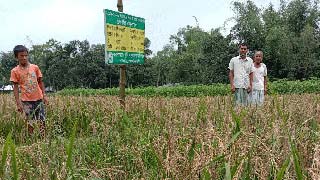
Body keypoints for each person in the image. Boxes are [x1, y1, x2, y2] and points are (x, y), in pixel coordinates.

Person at [10, 45, 48, 137]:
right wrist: (18, 103)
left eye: (26, 55)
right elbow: (15, 88)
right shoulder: (15, 71)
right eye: (21, 56)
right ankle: (30, 140)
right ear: (16, 57)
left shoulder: (35, 67)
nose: (24, 58)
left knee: (42, 120)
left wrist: (44, 95)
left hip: (38, 99)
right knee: (29, 121)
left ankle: (44, 139)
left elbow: (40, 82)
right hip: (26, 101)